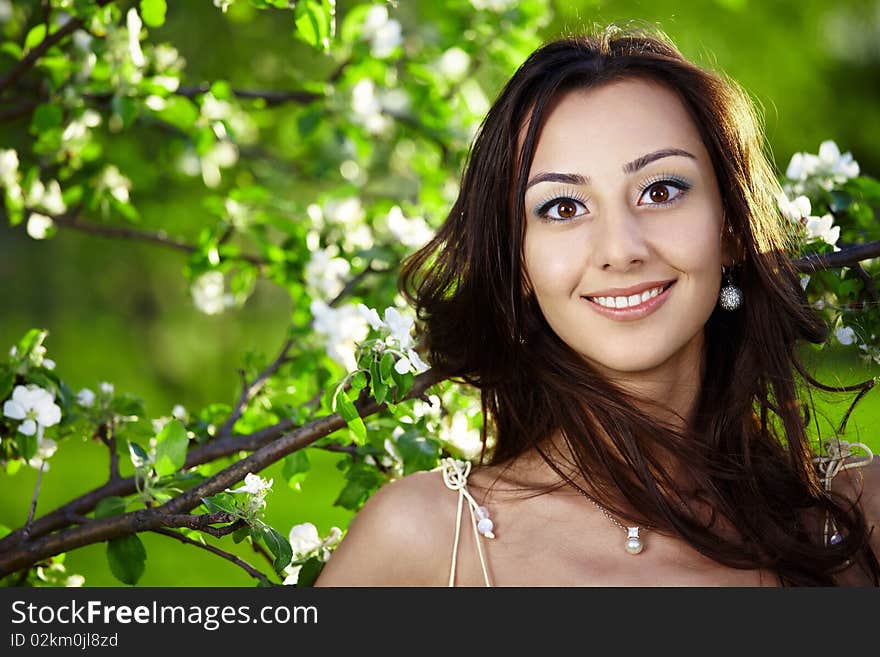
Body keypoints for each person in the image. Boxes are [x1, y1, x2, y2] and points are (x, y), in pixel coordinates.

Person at [314, 25, 880, 587]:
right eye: (563, 207)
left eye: (661, 191)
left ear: (731, 227)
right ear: (519, 266)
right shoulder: (427, 540)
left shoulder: (857, 517)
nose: (620, 251)